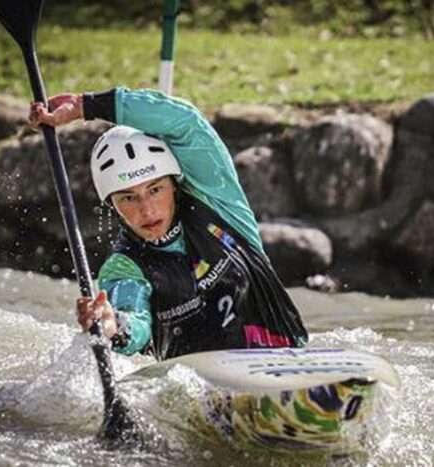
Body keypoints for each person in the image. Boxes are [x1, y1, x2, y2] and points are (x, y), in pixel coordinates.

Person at [29, 87, 308, 360]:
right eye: (128, 198)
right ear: (112, 205)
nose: (147, 210)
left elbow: (185, 121)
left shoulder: (220, 202)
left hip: (290, 360)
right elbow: (134, 321)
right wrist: (112, 325)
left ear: (174, 184)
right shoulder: (125, 266)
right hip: (205, 394)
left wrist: (84, 106)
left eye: (155, 189)